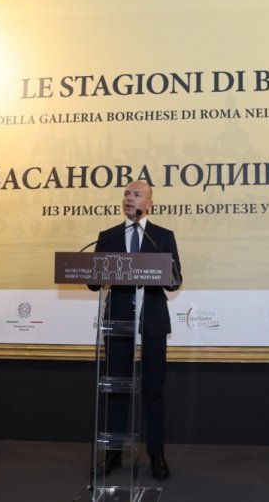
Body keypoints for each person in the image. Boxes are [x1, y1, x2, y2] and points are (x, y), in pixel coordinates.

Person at [91, 180, 182, 480]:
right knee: (117, 389)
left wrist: (168, 273)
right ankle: (114, 453)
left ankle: (156, 454)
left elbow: (175, 281)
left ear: (149, 204)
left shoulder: (162, 236)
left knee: (153, 392)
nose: (129, 198)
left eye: (137, 194)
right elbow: (93, 282)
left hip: (152, 321)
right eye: (126, 194)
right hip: (118, 322)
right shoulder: (109, 236)